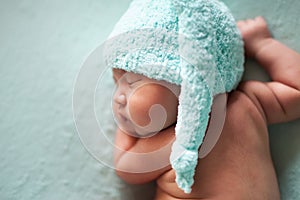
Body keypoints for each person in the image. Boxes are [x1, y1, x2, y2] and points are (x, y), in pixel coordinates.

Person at [112, 16, 300, 199]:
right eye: (116, 83)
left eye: (132, 82)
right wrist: (262, 44)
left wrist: (263, 45)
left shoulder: (244, 102)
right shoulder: (245, 102)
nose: (118, 98)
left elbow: (124, 166)